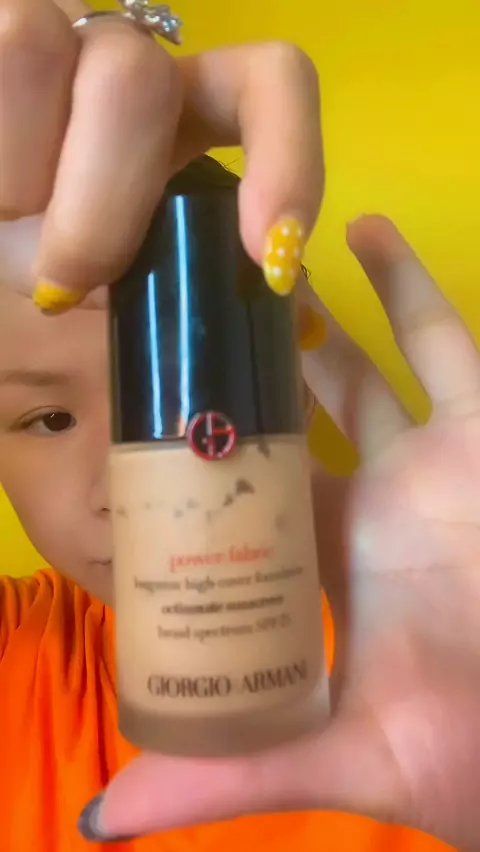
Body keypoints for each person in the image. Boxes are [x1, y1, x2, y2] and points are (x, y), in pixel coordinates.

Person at [1, 0, 479, 850]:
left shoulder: (440, 633)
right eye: (50, 417)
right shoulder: (22, 651)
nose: (128, 492)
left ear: (294, 395)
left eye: (203, 399)